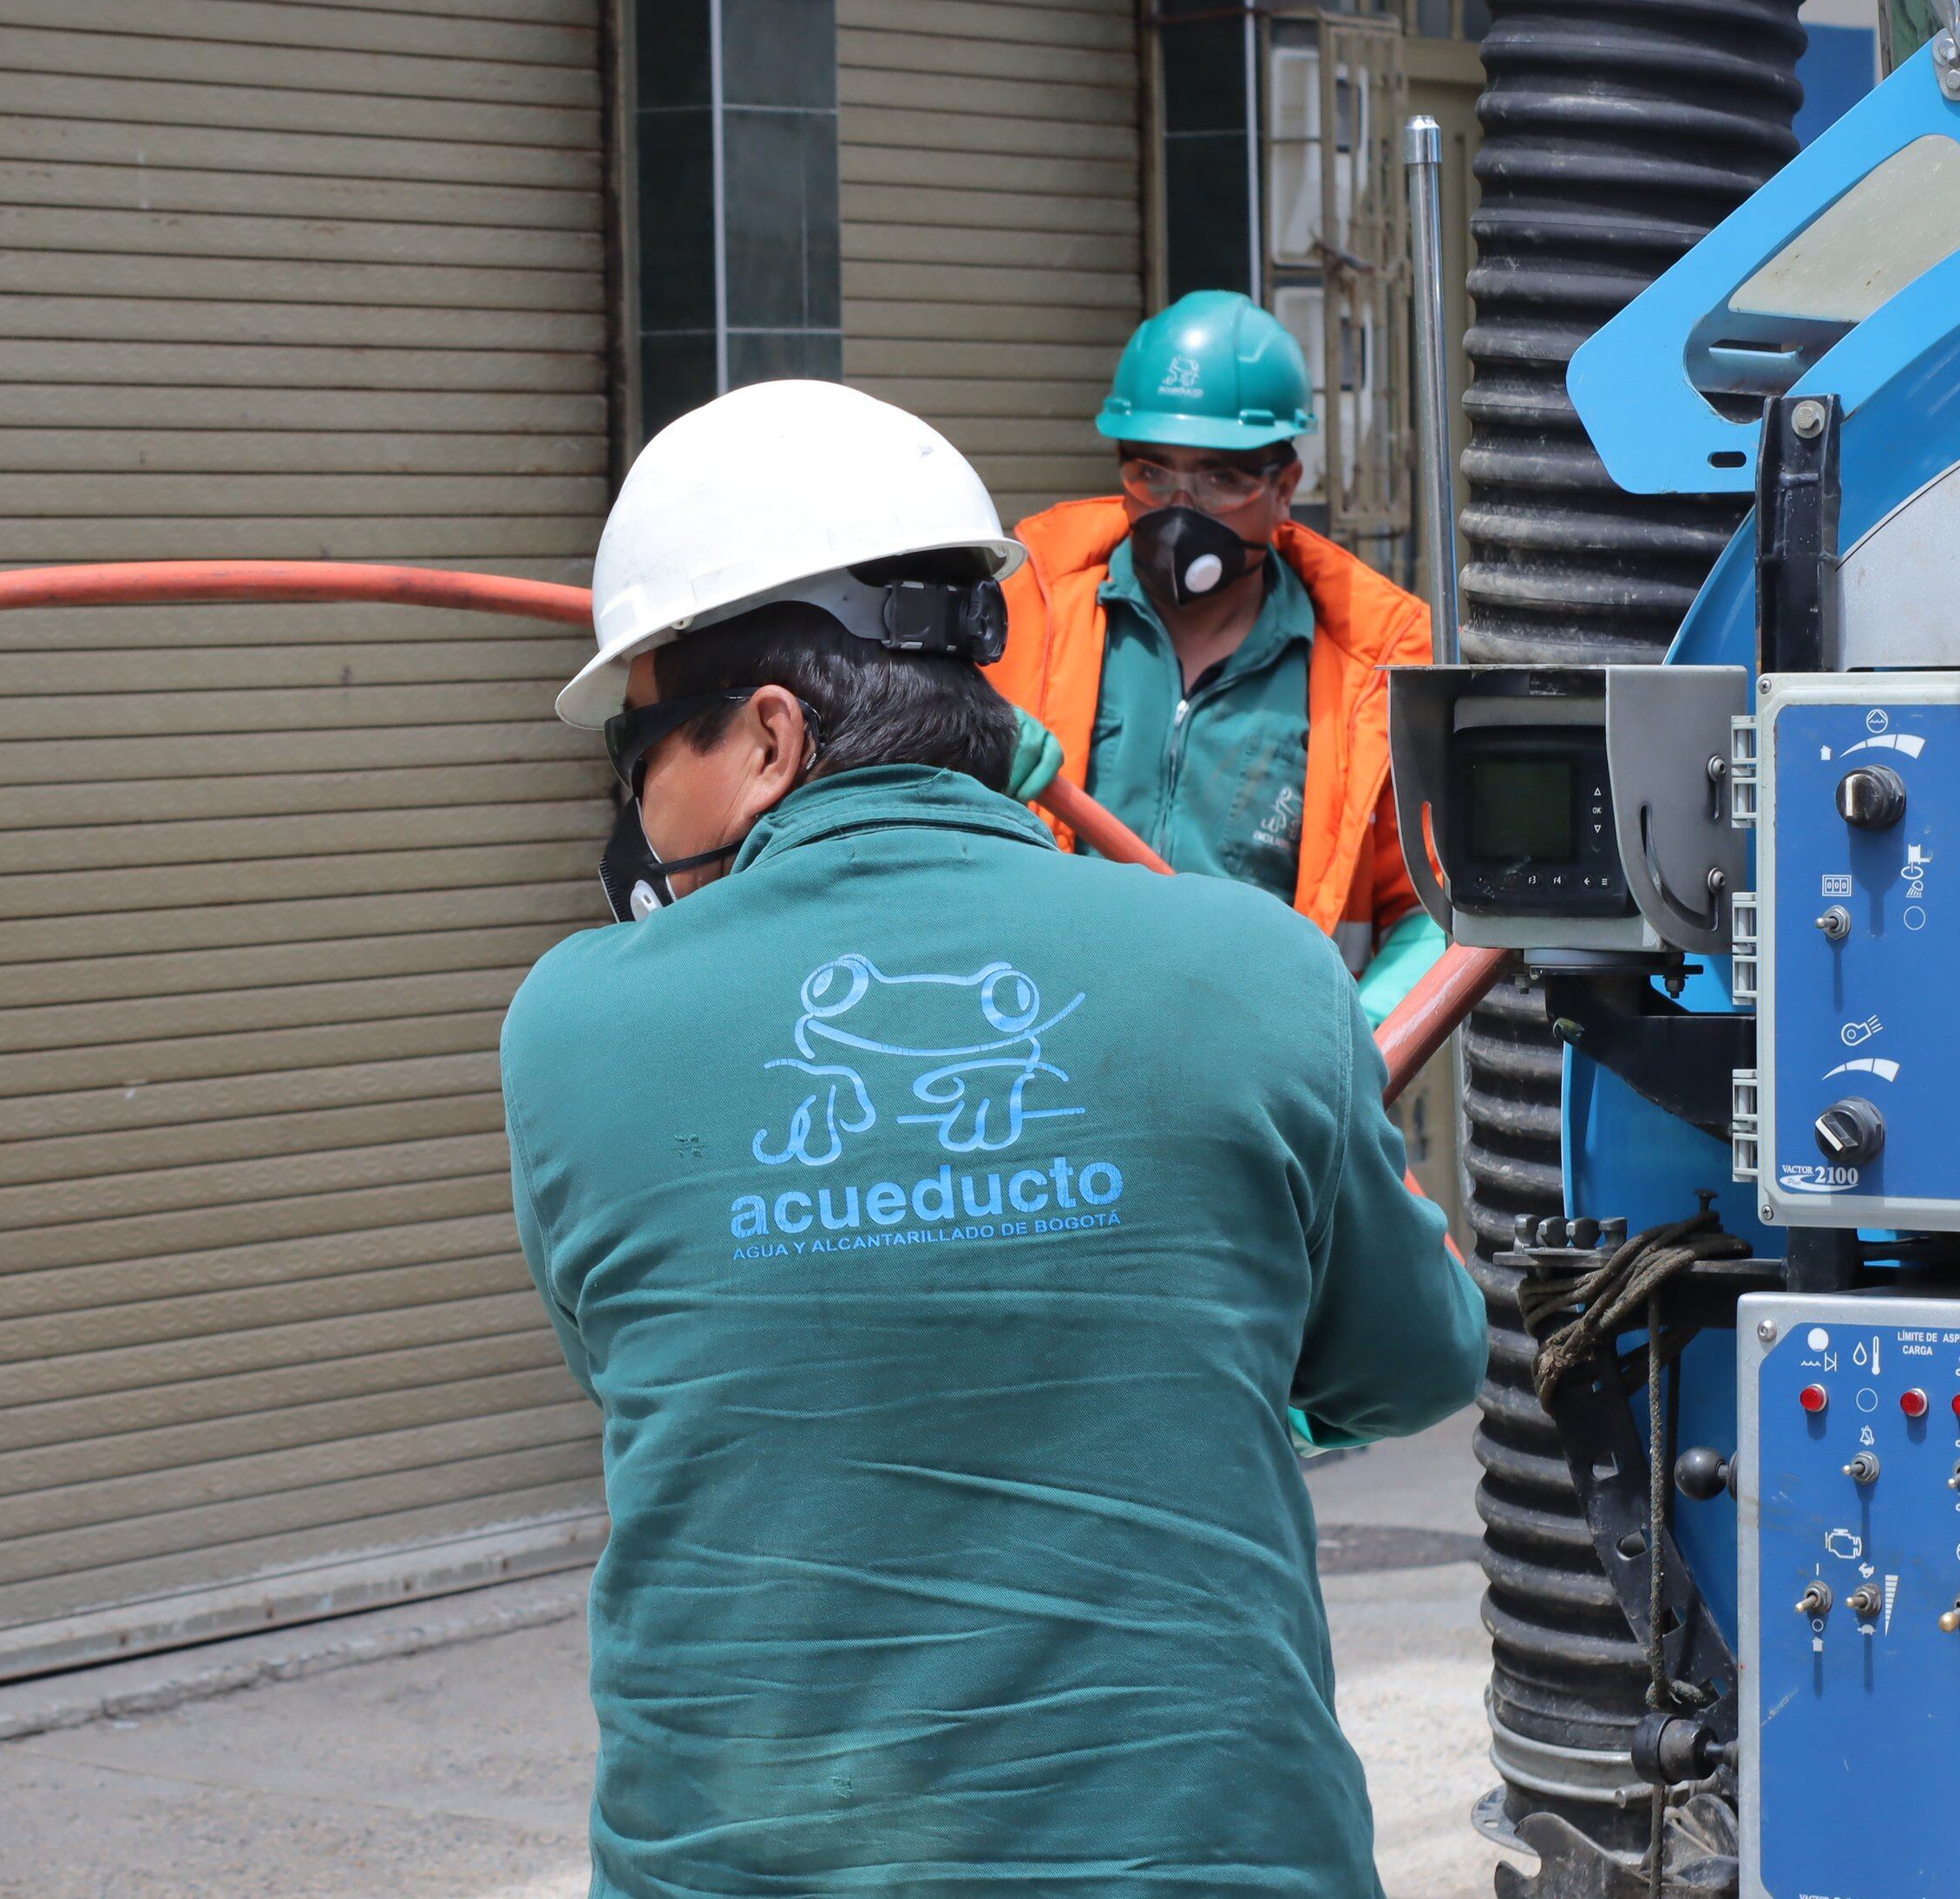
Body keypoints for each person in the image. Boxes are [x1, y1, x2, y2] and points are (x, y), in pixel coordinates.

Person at [502, 378, 1485, 1896]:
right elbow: (1414, 1359)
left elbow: (653, 1357)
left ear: (765, 736)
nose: (636, 799)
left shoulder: (573, 1023)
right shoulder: (1257, 967)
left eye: (642, 746)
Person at [990, 290, 1446, 1024]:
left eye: (1221, 478)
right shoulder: (1021, 620)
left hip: (1251, 1091)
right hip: (1043, 1060)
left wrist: (1358, 1042)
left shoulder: (1371, 676)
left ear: (1285, 488)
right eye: (1151, 473)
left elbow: (1429, 900)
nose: (1180, 508)